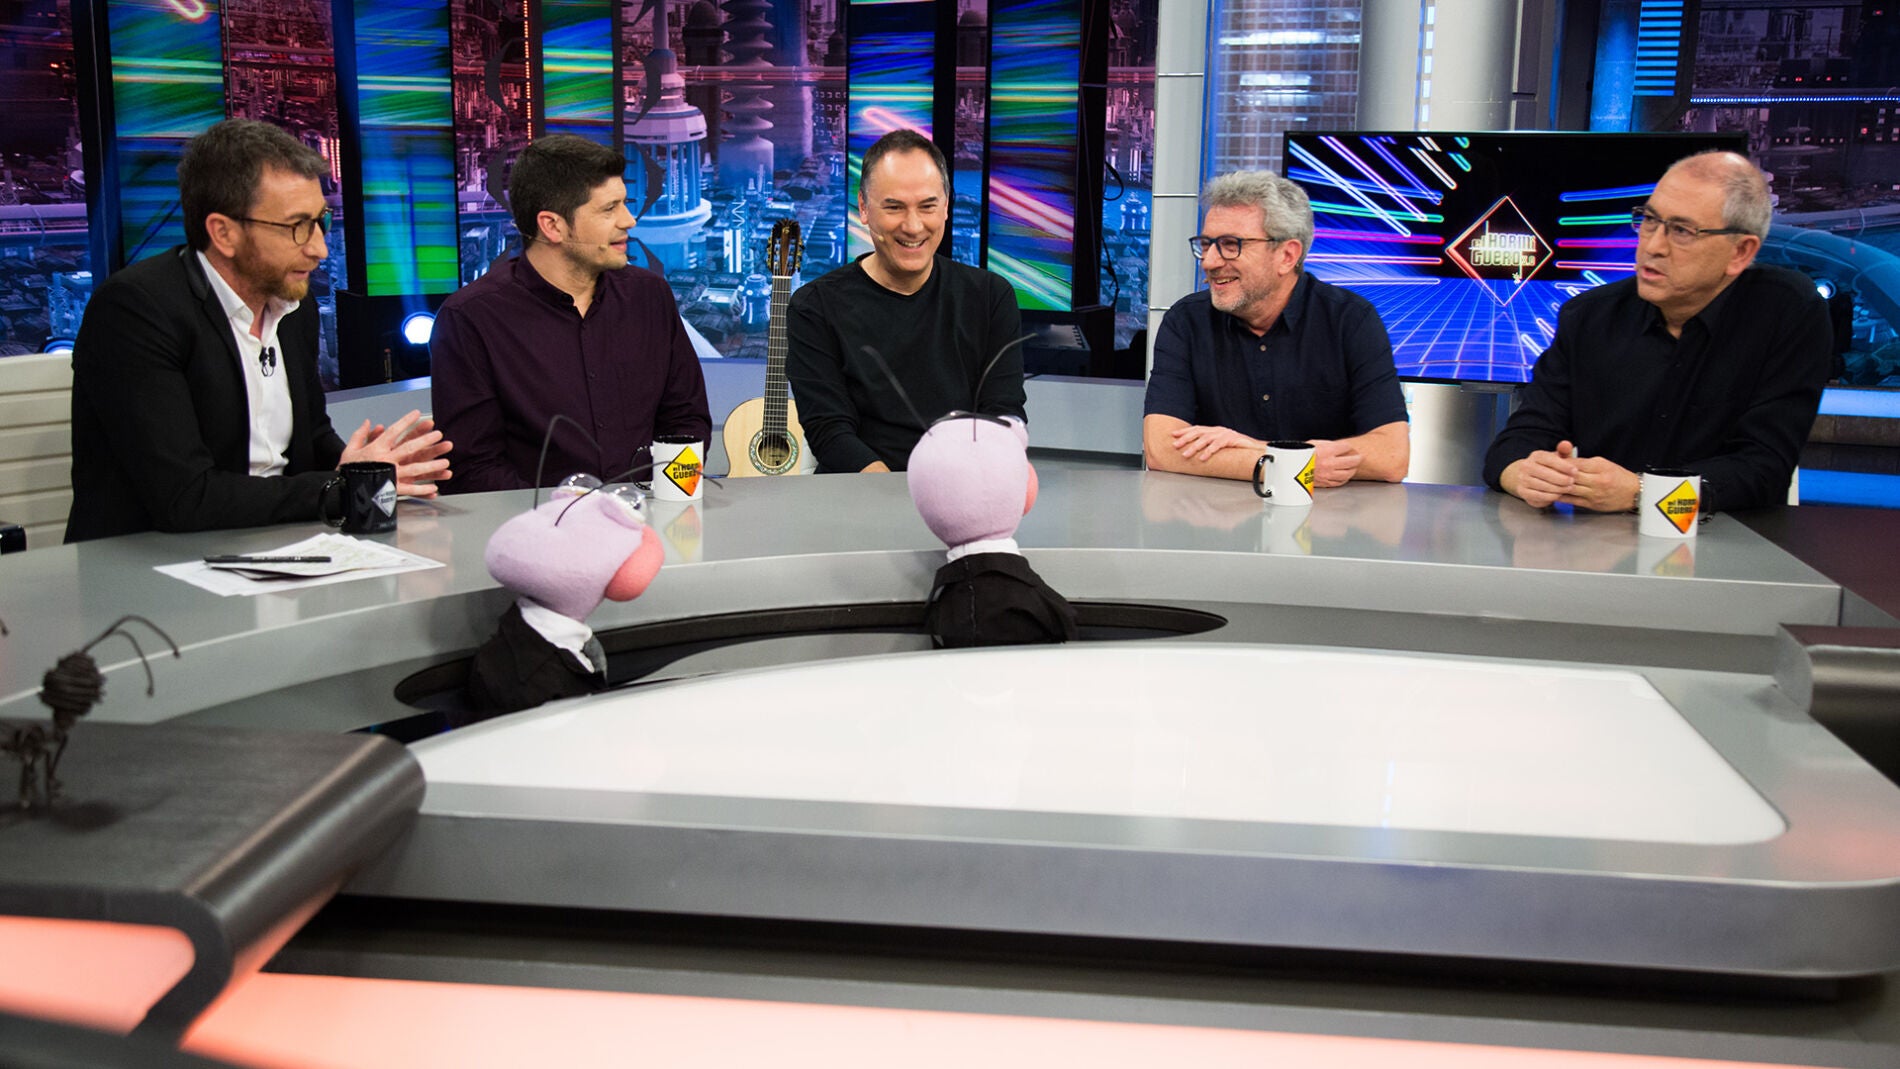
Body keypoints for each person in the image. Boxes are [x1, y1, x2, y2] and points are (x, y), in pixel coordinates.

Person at [66, 119, 450, 543]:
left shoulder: (294, 305)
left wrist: (367, 469)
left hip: (276, 540)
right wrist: (340, 489)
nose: (319, 248)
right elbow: (185, 498)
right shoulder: (137, 310)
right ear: (224, 233)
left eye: (320, 221)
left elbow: (311, 436)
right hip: (152, 557)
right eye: (296, 226)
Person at [1484, 151, 1831, 514]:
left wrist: (1644, 492)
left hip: (1727, 535)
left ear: (1740, 252)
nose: (1652, 246)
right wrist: (1524, 473)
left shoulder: (1788, 312)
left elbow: (1764, 469)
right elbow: (1516, 443)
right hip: (1601, 540)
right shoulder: (1588, 317)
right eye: (1649, 220)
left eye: (1682, 231)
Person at [429, 134, 710, 491]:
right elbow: (474, 468)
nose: (629, 220)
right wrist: (572, 515)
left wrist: (668, 499)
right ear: (552, 226)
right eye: (609, 209)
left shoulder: (650, 296)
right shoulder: (471, 319)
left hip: (651, 516)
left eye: (624, 204)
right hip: (535, 523)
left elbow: (687, 421)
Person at [1142, 171, 1409, 487]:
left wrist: (1255, 449)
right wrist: (1286, 462)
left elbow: (1392, 456)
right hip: (1214, 512)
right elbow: (1161, 449)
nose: (1209, 261)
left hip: (1327, 511)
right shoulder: (1186, 322)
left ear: (1287, 256)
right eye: (1206, 244)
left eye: (1230, 245)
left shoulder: (1351, 320)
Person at [786, 129, 1026, 472]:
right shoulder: (814, 307)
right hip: (861, 490)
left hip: (964, 485)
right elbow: (829, 431)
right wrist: (893, 494)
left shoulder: (990, 297)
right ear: (864, 208)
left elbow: (1003, 413)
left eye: (927, 207)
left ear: (946, 206)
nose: (913, 226)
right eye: (894, 207)